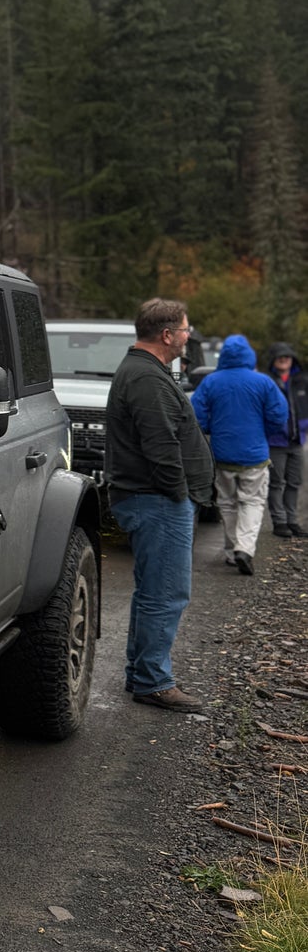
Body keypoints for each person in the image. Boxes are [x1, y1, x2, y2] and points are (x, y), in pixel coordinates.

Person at [105, 298, 215, 711]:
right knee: (166, 594)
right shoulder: (147, 379)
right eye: (186, 331)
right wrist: (179, 495)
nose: (189, 337)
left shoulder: (144, 371)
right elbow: (161, 447)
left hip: (153, 500)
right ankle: (153, 680)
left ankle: (142, 673)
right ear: (168, 335)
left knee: (154, 591)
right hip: (157, 502)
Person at [190, 335, 290, 575]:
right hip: (254, 455)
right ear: (250, 355)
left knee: (227, 503)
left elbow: (197, 416)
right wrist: (261, 433)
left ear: (223, 355)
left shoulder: (211, 382)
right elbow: (279, 415)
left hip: (223, 454)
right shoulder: (263, 382)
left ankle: (232, 552)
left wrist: (213, 429)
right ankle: (244, 548)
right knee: (253, 502)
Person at [262, 343, 308, 538]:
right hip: (275, 442)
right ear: (273, 360)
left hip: (297, 441)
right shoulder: (266, 381)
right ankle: (279, 522)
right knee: (276, 483)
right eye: (280, 357)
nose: (284, 360)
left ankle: (292, 521)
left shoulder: (301, 380)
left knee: (294, 482)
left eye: (287, 356)